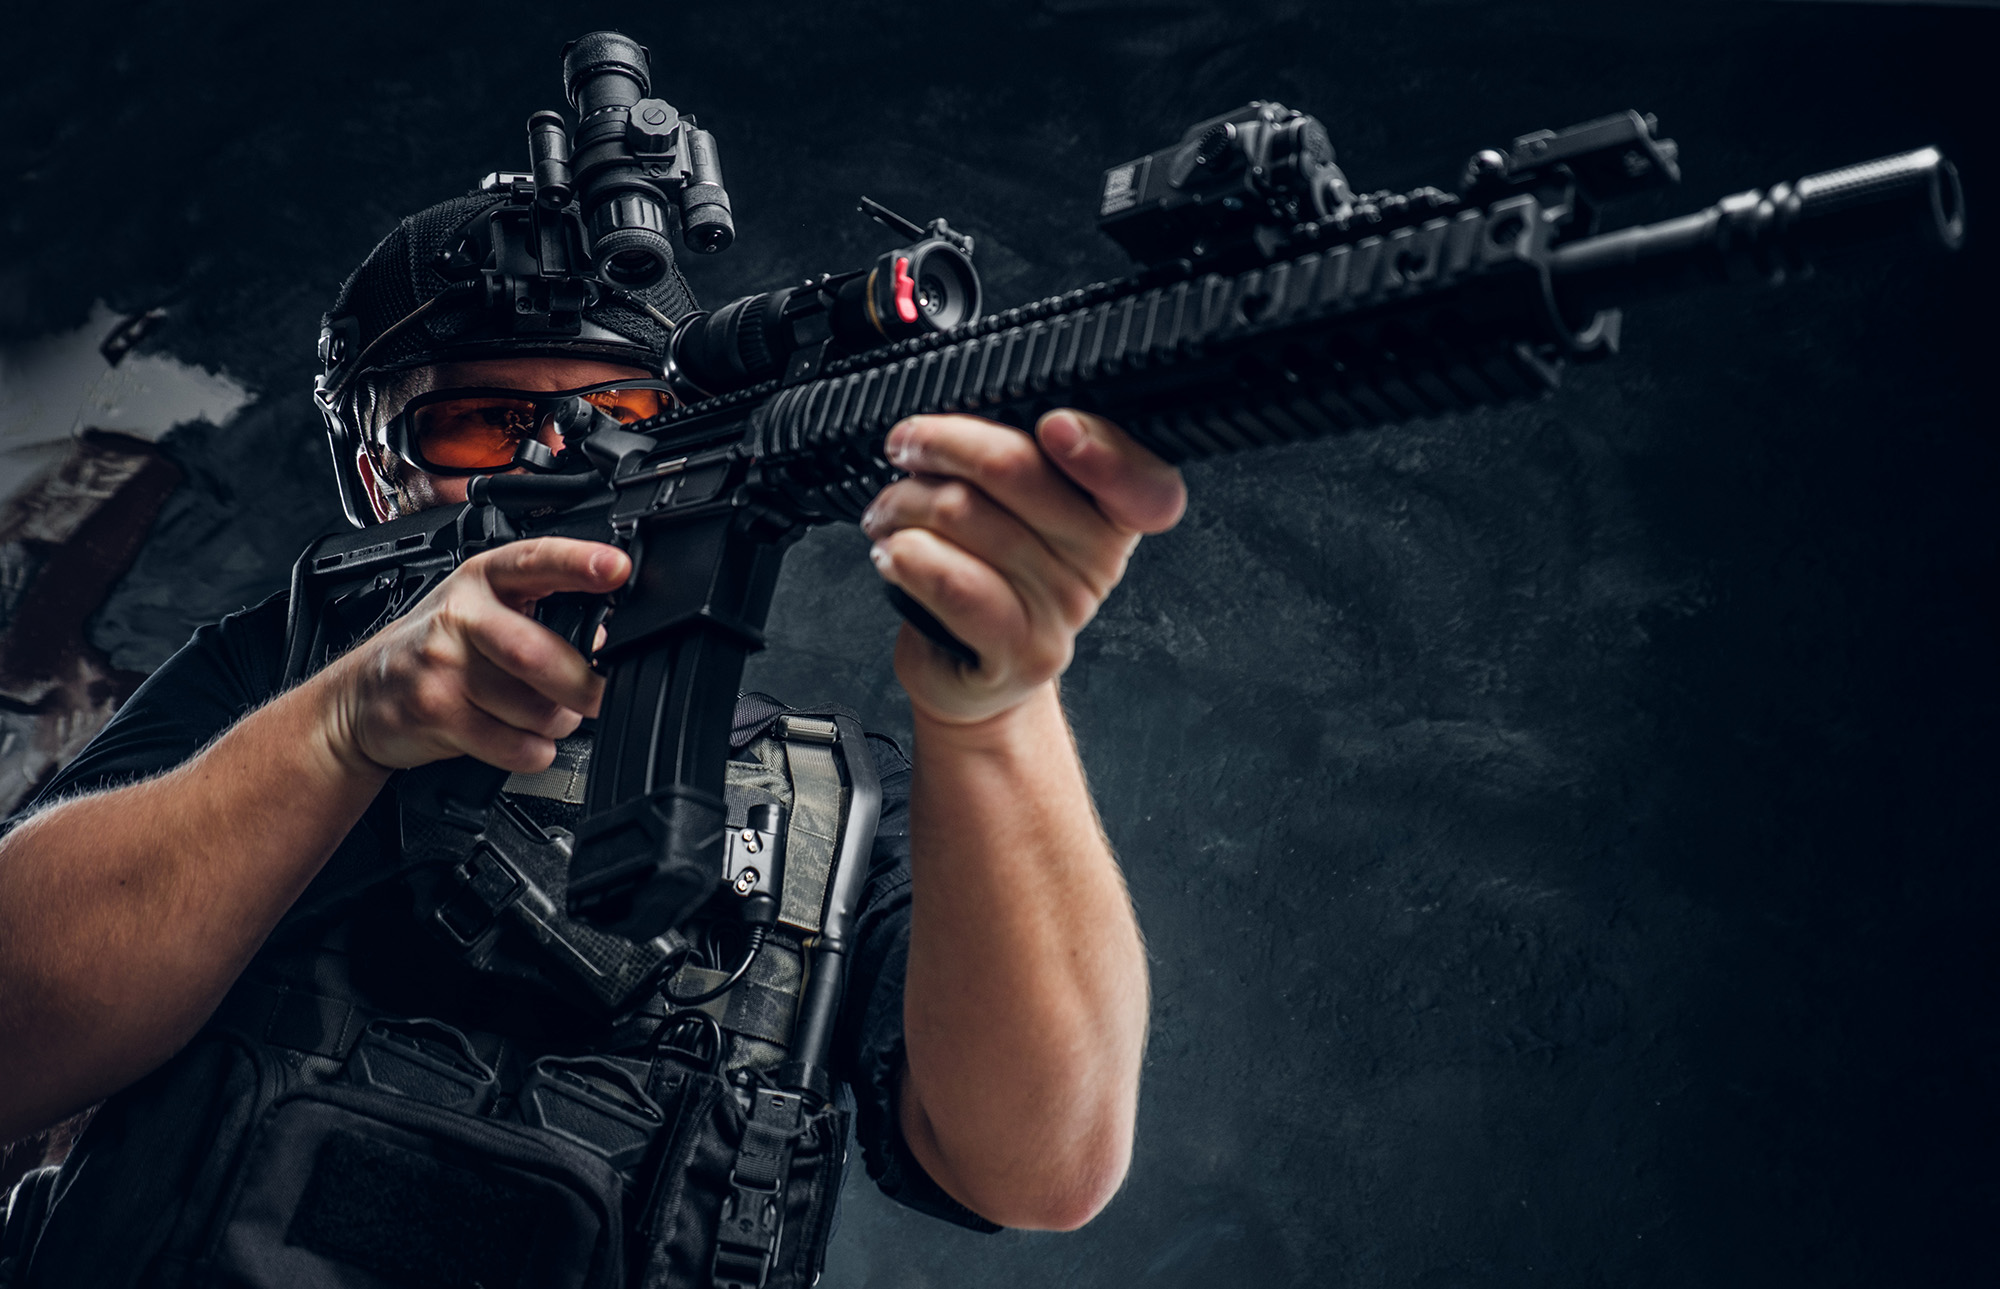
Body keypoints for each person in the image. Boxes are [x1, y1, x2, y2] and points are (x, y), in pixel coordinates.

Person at [0, 174, 1186, 1284]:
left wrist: (997, 707)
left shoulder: (828, 799)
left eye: (622, 412)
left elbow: (1044, 1163)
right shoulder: (264, 682)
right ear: (376, 475)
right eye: (478, 424)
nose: (568, 454)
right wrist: (335, 733)